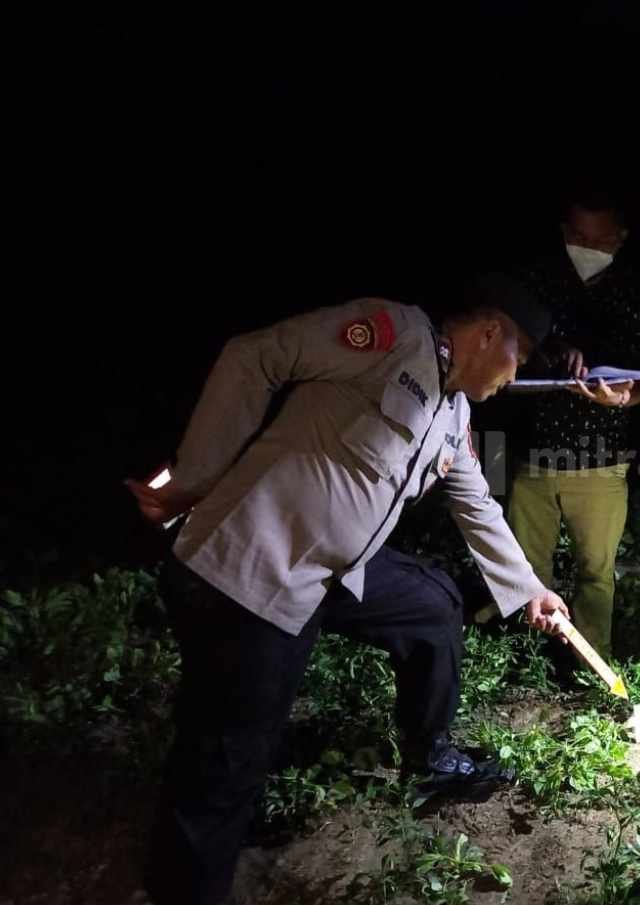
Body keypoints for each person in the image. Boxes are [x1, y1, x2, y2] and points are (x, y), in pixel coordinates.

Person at [125, 274, 570, 905]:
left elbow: (475, 503)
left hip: (330, 572)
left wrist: (528, 590)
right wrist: (194, 477)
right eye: (517, 359)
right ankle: (186, 882)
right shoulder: (388, 335)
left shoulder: (454, 410)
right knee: (225, 760)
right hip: (251, 576)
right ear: (489, 331)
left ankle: (430, 757)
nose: (514, 376)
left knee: (431, 604)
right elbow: (253, 355)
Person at [504, 191, 640, 660]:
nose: (585, 246)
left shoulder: (638, 292)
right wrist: (555, 349)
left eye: (597, 239)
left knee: (596, 572)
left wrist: (621, 398)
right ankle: (526, 658)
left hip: (602, 457)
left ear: (620, 237)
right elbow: (514, 342)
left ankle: (591, 661)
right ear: (563, 232)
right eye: (577, 235)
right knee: (525, 569)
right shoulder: (536, 280)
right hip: (533, 451)